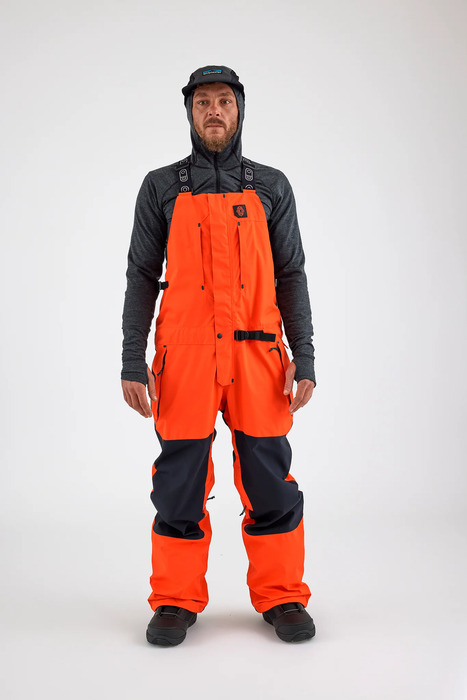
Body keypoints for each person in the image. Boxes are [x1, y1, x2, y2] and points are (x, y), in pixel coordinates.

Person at [121, 65, 317, 646]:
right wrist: (132, 359)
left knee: (269, 477)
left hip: (258, 356)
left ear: (239, 110)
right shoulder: (161, 187)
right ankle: (174, 600)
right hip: (184, 358)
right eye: (203, 101)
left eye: (224, 101)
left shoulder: (271, 186)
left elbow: (291, 274)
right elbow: (140, 275)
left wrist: (304, 354)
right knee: (179, 480)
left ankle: (282, 595)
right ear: (189, 112)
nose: (214, 110)